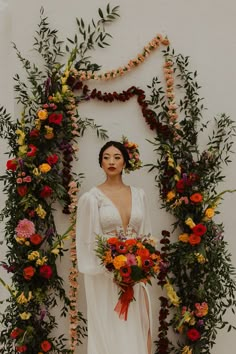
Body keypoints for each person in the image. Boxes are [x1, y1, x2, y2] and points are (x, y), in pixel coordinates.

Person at [76, 140, 152, 354]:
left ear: (125, 162)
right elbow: (87, 241)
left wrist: (142, 266)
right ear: (100, 163)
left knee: (137, 324)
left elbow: (146, 235)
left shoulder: (139, 195)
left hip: (135, 273)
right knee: (111, 327)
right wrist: (111, 269)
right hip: (105, 276)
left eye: (117, 157)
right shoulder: (91, 198)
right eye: (106, 157)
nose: (111, 161)